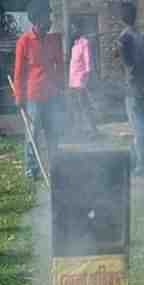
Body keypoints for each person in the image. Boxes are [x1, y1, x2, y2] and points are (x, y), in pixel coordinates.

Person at [13, 0, 64, 178]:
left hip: (52, 96)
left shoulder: (54, 40)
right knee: (33, 133)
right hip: (33, 96)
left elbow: (60, 66)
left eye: (49, 16)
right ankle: (31, 169)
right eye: (46, 16)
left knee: (53, 131)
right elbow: (18, 72)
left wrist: (60, 87)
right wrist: (19, 97)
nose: (49, 20)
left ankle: (55, 166)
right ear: (36, 19)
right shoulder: (24, 41)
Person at [117, 3, 144, 176]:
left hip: (132, 86)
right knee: (136, 125)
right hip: (141, 85)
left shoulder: (124, 38)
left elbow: (127, 63)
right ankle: (135, 162)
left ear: (122, 18)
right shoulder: (140, 36)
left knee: (137, 127)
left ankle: (142, 165)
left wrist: (130, 75)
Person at [68, 23, 98, 137]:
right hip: (73, 81)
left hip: (81, 81)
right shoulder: (74, 44)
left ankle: (93, 130)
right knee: (75, 107)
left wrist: (86, 80)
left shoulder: (84, 43)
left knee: (84, 106)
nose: (72, 31)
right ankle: (79, 130)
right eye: (71, 29)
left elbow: (88, 62)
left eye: (74, 28)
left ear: (79, 29)